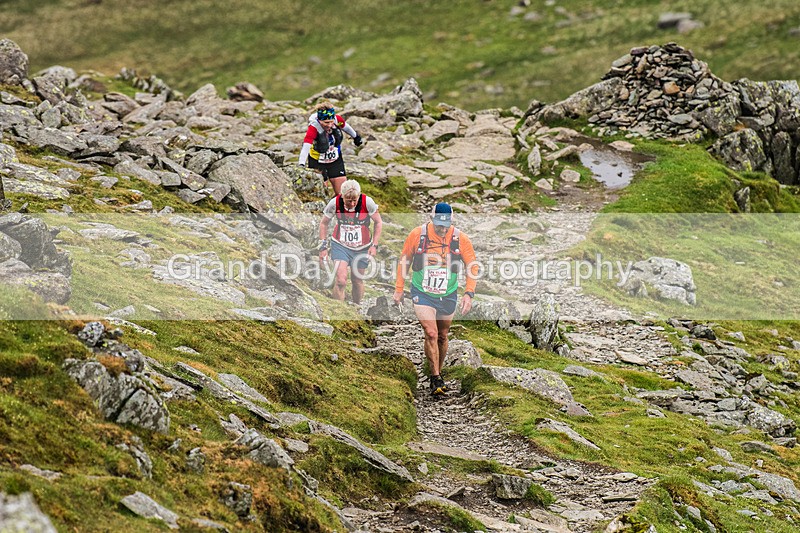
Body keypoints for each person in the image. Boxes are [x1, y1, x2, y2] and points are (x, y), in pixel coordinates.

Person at [394, 203, 478, 396]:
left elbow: (472, 266)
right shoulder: (418, 234)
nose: (442, 228)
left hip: (448, 293)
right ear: (432, 219)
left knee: (442, 335)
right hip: (422, 292)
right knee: (431, 332)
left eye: (445, 225)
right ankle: (435, 377)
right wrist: (399, 289)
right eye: (438, 224)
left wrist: (469, 293)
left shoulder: (460, 239)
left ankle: (436, 372)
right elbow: (405, 260)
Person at [318, 179, 382, 304]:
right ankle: (339, 310)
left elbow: (378, 222)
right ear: (342, 196)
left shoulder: (367, 202)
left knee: (357, 280)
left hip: (362, 247)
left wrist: (374, 245)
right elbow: (323, 224)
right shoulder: (334, 203)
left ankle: (357, 308)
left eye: (355, 200)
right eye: (348, 201)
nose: (352, 204)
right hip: (340, 245)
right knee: (341, 280)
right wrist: (323, 247)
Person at [298, 101, 363, 196]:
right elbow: (306, 146)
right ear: (319, 120)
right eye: (326, 122)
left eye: (331, 122)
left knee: (343, 194)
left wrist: (356, 137)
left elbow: (346, 127)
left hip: (335, 160)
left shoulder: (337, 120)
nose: (329, 125)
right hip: (318, 162)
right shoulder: (313, 128)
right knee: (321, 194)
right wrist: (301, 164)